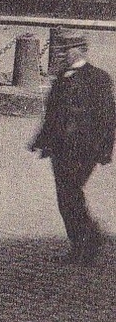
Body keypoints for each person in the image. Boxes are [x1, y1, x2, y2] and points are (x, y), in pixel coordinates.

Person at [30, 32, 116, 264]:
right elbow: (52, 116)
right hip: (60, 149)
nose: (60, 54)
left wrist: (105, 149)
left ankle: (88, 242)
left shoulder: (98, 78)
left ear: (78, 50)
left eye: (64, 50)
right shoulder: (61, 79)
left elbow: (108, 117)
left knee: (70, 194)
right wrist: (40, 140)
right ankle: (83, 242)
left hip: (84, 149)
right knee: (65, 197)